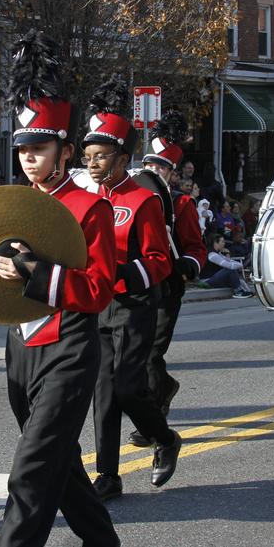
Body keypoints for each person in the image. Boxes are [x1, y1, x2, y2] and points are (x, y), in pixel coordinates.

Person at [0, 30, 119, 547]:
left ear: (65, 150)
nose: (29, 159)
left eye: (39, 149)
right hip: (21, 346)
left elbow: (98, 289)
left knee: (32, 471)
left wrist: (34, 271)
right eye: (22, 149)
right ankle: (102, 540)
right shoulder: (14, 206)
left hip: (69, 346)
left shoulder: (92, 208)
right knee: (57, 461)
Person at [81, 75, 180, 501]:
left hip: (135, 306)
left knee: (125, 388)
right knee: (102, 392)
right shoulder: (86, 200)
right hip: (96, 307)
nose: (93, 164)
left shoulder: (144, 200)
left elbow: (160, 261)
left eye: (101, 157)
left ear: (122, 159)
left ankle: (165, 437)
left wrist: (116, 274)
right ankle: (108, 475)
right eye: (88, 157)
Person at [134, 110, 207, 445]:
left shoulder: (181, 205)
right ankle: (164, 387)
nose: (154, 172)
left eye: (161, 167)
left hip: (167, 287)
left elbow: (195, 248)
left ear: (172, 173)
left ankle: (152, 421)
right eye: (150, 165)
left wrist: (187, 264)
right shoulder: (132, 200)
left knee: (151, 352)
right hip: (137, 285)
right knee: (136, 354)